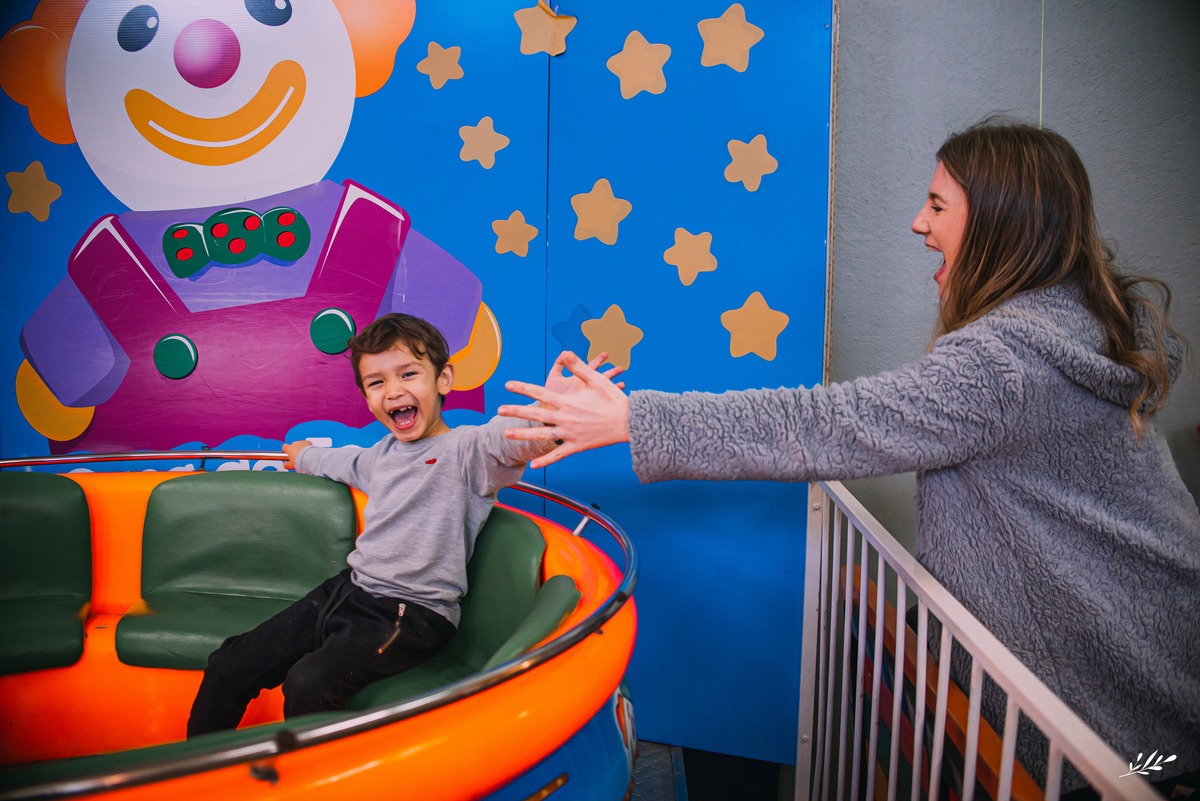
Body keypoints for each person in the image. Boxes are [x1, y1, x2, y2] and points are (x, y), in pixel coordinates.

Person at [498, 120, 1200, 791]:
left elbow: (828, 422)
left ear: (997, 222)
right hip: (1156, 674)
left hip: (1117, 721)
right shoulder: (1082, 328)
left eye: (936, 204)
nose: (918, 224)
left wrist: (634, 418)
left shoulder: (1004, 364)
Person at [187, 313, 622, 736]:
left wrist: (549, 415)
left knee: (308, 682)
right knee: (230, 662)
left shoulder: (466, 451)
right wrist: (301, 454)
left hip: (411, 614)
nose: (393, 391)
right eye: (377, 383)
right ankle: (196, 777)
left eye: (408, 375)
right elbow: (340, 461)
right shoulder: (381, 456)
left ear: (443, 380)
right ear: (367, 397)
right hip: (350, 591)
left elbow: (506, 438)